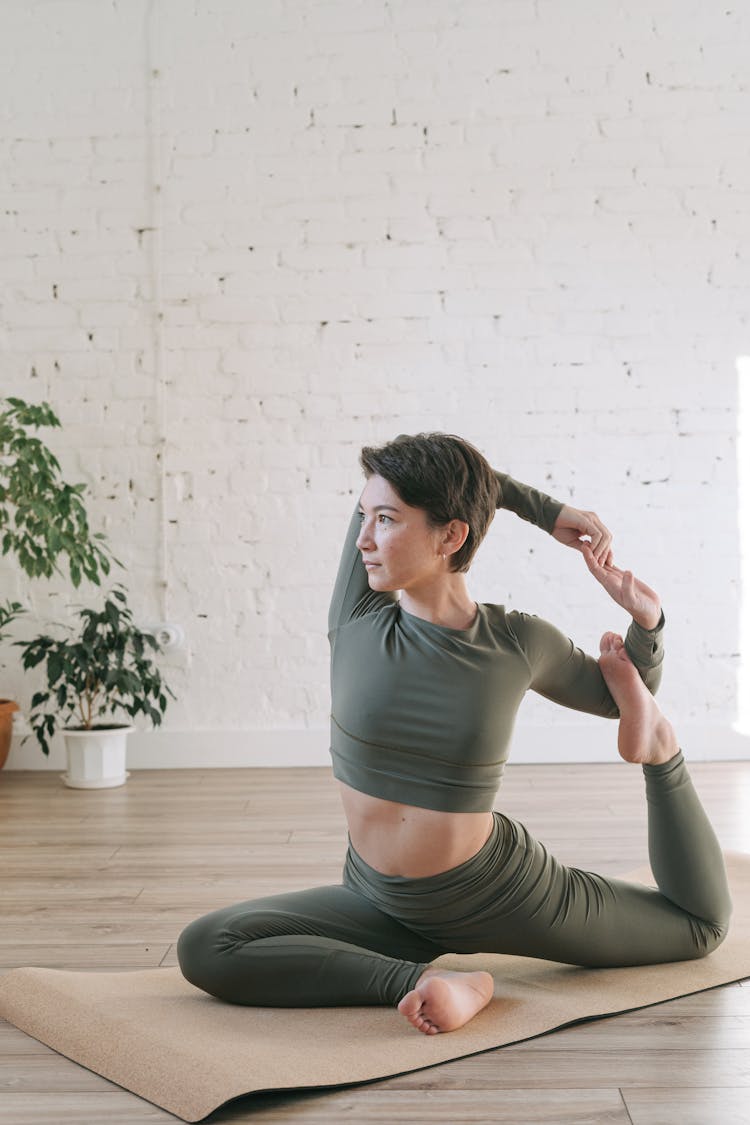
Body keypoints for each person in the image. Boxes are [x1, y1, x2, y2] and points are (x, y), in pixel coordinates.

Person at [178, 432, 731, 1035]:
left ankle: (663, 755)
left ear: (451, 536)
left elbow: (623, 698)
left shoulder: (516, 641)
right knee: (207, 945)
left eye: (385, 520)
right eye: (365, 516)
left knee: (698, 928)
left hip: (497, 895)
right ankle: (423, 980)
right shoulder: (358, 612)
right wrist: (544, 511)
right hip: (378, 900)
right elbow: (449, 472)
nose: (363, 538)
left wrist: (646, 625)